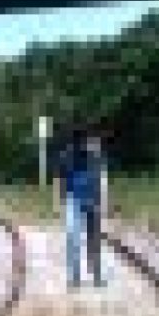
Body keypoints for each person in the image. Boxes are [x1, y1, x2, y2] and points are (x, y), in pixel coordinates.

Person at [51, 122, 107, 289]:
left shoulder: (96, 157)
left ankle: (96, 273)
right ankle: (74, 277)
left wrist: (103, 202)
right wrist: (56, 203)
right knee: (72, 236)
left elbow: (102, 180)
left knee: (94, 238)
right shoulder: (66, 156)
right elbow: (58, 180)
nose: (88, 145)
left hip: (92, 200)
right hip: (73, 200)